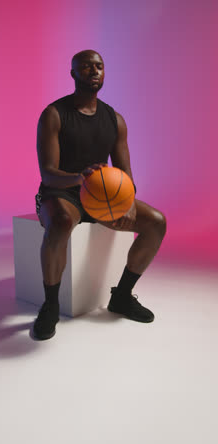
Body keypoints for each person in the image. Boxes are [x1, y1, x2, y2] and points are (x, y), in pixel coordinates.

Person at [33, 49, 167, 340]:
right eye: (85, 66)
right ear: (73, 74)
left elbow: (125, 173)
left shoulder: (114, 119)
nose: (93, 71)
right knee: (61, 223)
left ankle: (121, 295)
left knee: (156, 221)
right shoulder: (54, 115)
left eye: (99, 66)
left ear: (104, 73)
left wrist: (127, 201)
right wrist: (79, 178)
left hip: (98, 196)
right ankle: (51, 305)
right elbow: (48, 172)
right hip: (61, 192)